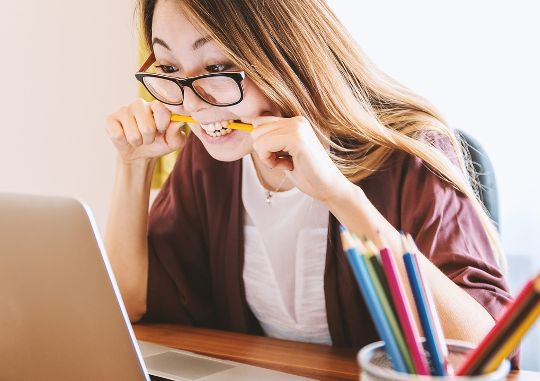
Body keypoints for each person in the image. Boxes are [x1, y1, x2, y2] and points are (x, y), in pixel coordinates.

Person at [104, 0, 515, 364]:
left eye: (218, 68)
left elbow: (484, 350)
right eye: (170, 69)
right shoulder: (211, 157)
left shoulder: (409, 152)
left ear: (288, 54)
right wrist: (133, 165)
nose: (192, 104)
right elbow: (130, 303)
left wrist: (338, 195)